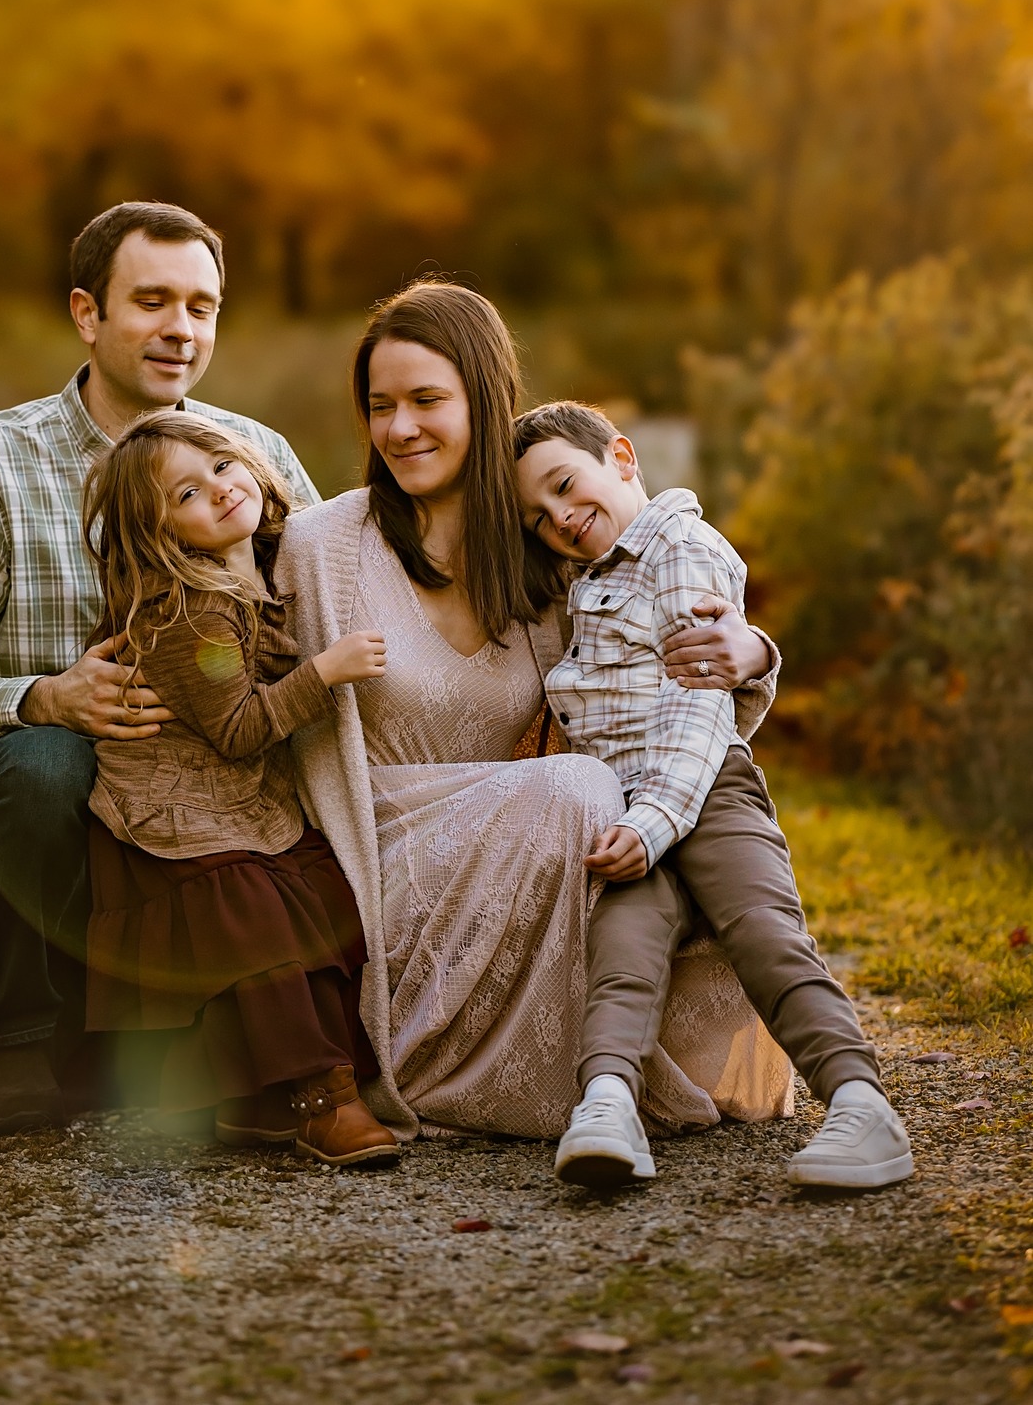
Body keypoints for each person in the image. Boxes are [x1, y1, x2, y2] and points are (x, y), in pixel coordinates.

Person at [275, 281, 793, 1140]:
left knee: (682, 830)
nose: (400, 428)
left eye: (426, 401)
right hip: (374, 851)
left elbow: (660, 676)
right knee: (579, 792)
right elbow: (254, 698)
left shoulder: (548, 556)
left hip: (522, 850)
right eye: (379, 406)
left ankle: (616, 1073)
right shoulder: (324, 545)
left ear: (485, 401)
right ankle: (549, 1080)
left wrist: (754, 653)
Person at [0, 201, 318, 1133]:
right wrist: (43, 698)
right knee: (44, 765)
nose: (179, 329)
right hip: (30, 829)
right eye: (151, 300)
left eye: (201, 305)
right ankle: (21, 1041)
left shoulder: (255, 455)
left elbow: (341, 603)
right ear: (87, 312)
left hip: (211, 820)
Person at [514, 399, 914, 1191]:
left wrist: (657, 823)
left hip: (705, 796)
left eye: (565, 485)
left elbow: (701, 705)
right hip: (632, 809)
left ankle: (862, 1106)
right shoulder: (587, 576)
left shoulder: (677, 548)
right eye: (537, 515)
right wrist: (636, 822)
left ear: (621, 458)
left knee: (763, 930)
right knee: (622, 950)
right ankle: (606, 1106)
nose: (558, 516)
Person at [82, 408, 398, 1168]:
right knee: (255, 918)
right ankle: (325, 1099)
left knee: (324, 895)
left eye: (222, 467)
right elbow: (237, 728)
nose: (219, 492)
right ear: (161, 535)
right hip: (178, 810)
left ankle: (261, 1098)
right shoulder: (188, 613)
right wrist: (324, 673)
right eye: (186, 495)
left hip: (243, 798)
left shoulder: (260, 566)